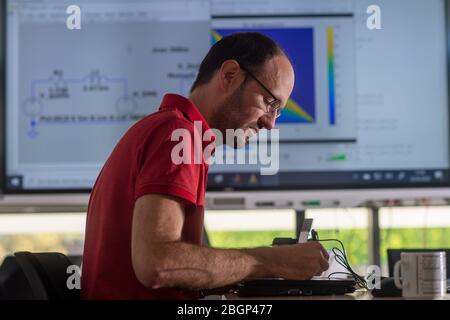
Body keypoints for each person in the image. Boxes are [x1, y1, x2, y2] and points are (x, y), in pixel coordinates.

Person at [81, 32, 329, 300]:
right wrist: (268, 261)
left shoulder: (171, 131)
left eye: (277, 111)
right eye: (269, 103)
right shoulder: (177, 134)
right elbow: (158, 264)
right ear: (230, 75)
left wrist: (244, 273)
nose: (270, 124)